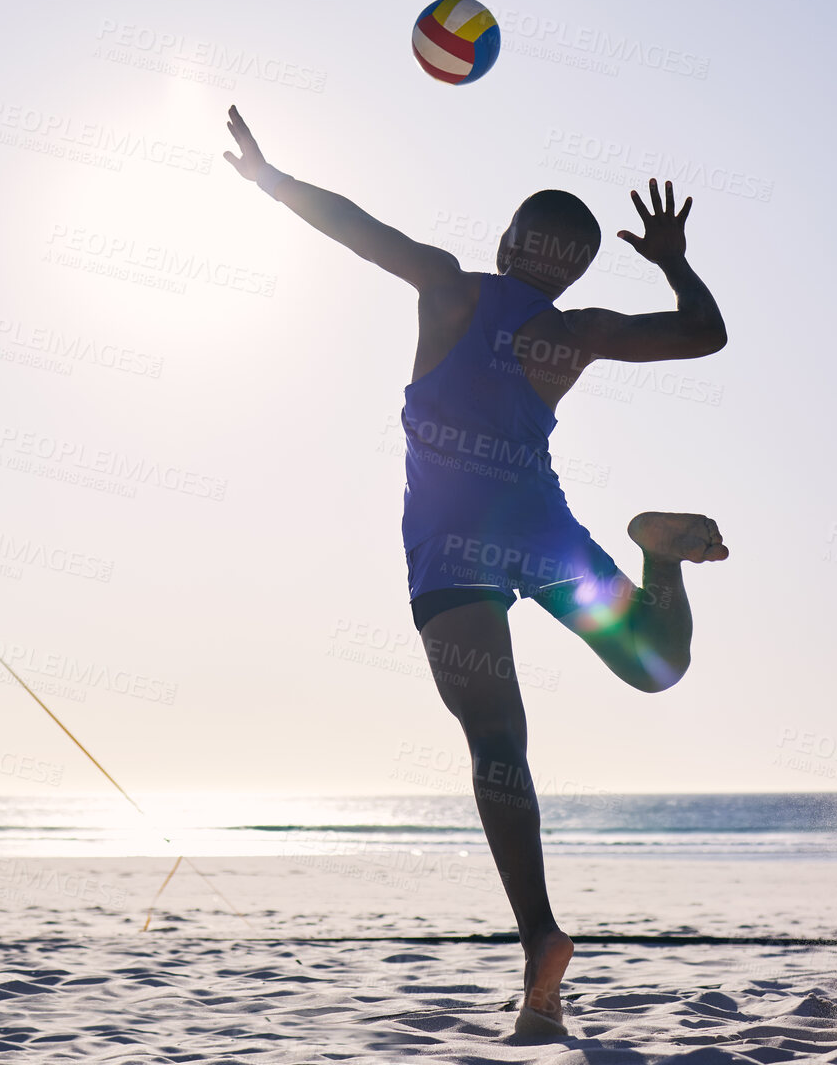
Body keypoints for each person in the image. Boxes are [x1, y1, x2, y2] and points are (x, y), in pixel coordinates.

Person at [224, 105, 729, 1038]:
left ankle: (538, 933)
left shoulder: (450, 287)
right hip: (540, 528)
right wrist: (667, 257)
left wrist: (269, 180)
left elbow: (357, 229)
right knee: (658, 663)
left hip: (454, 541)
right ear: (575, 266)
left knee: (497, 742)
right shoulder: (577, 331)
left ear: (505, 242)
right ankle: (657, 553)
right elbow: (704, 335)